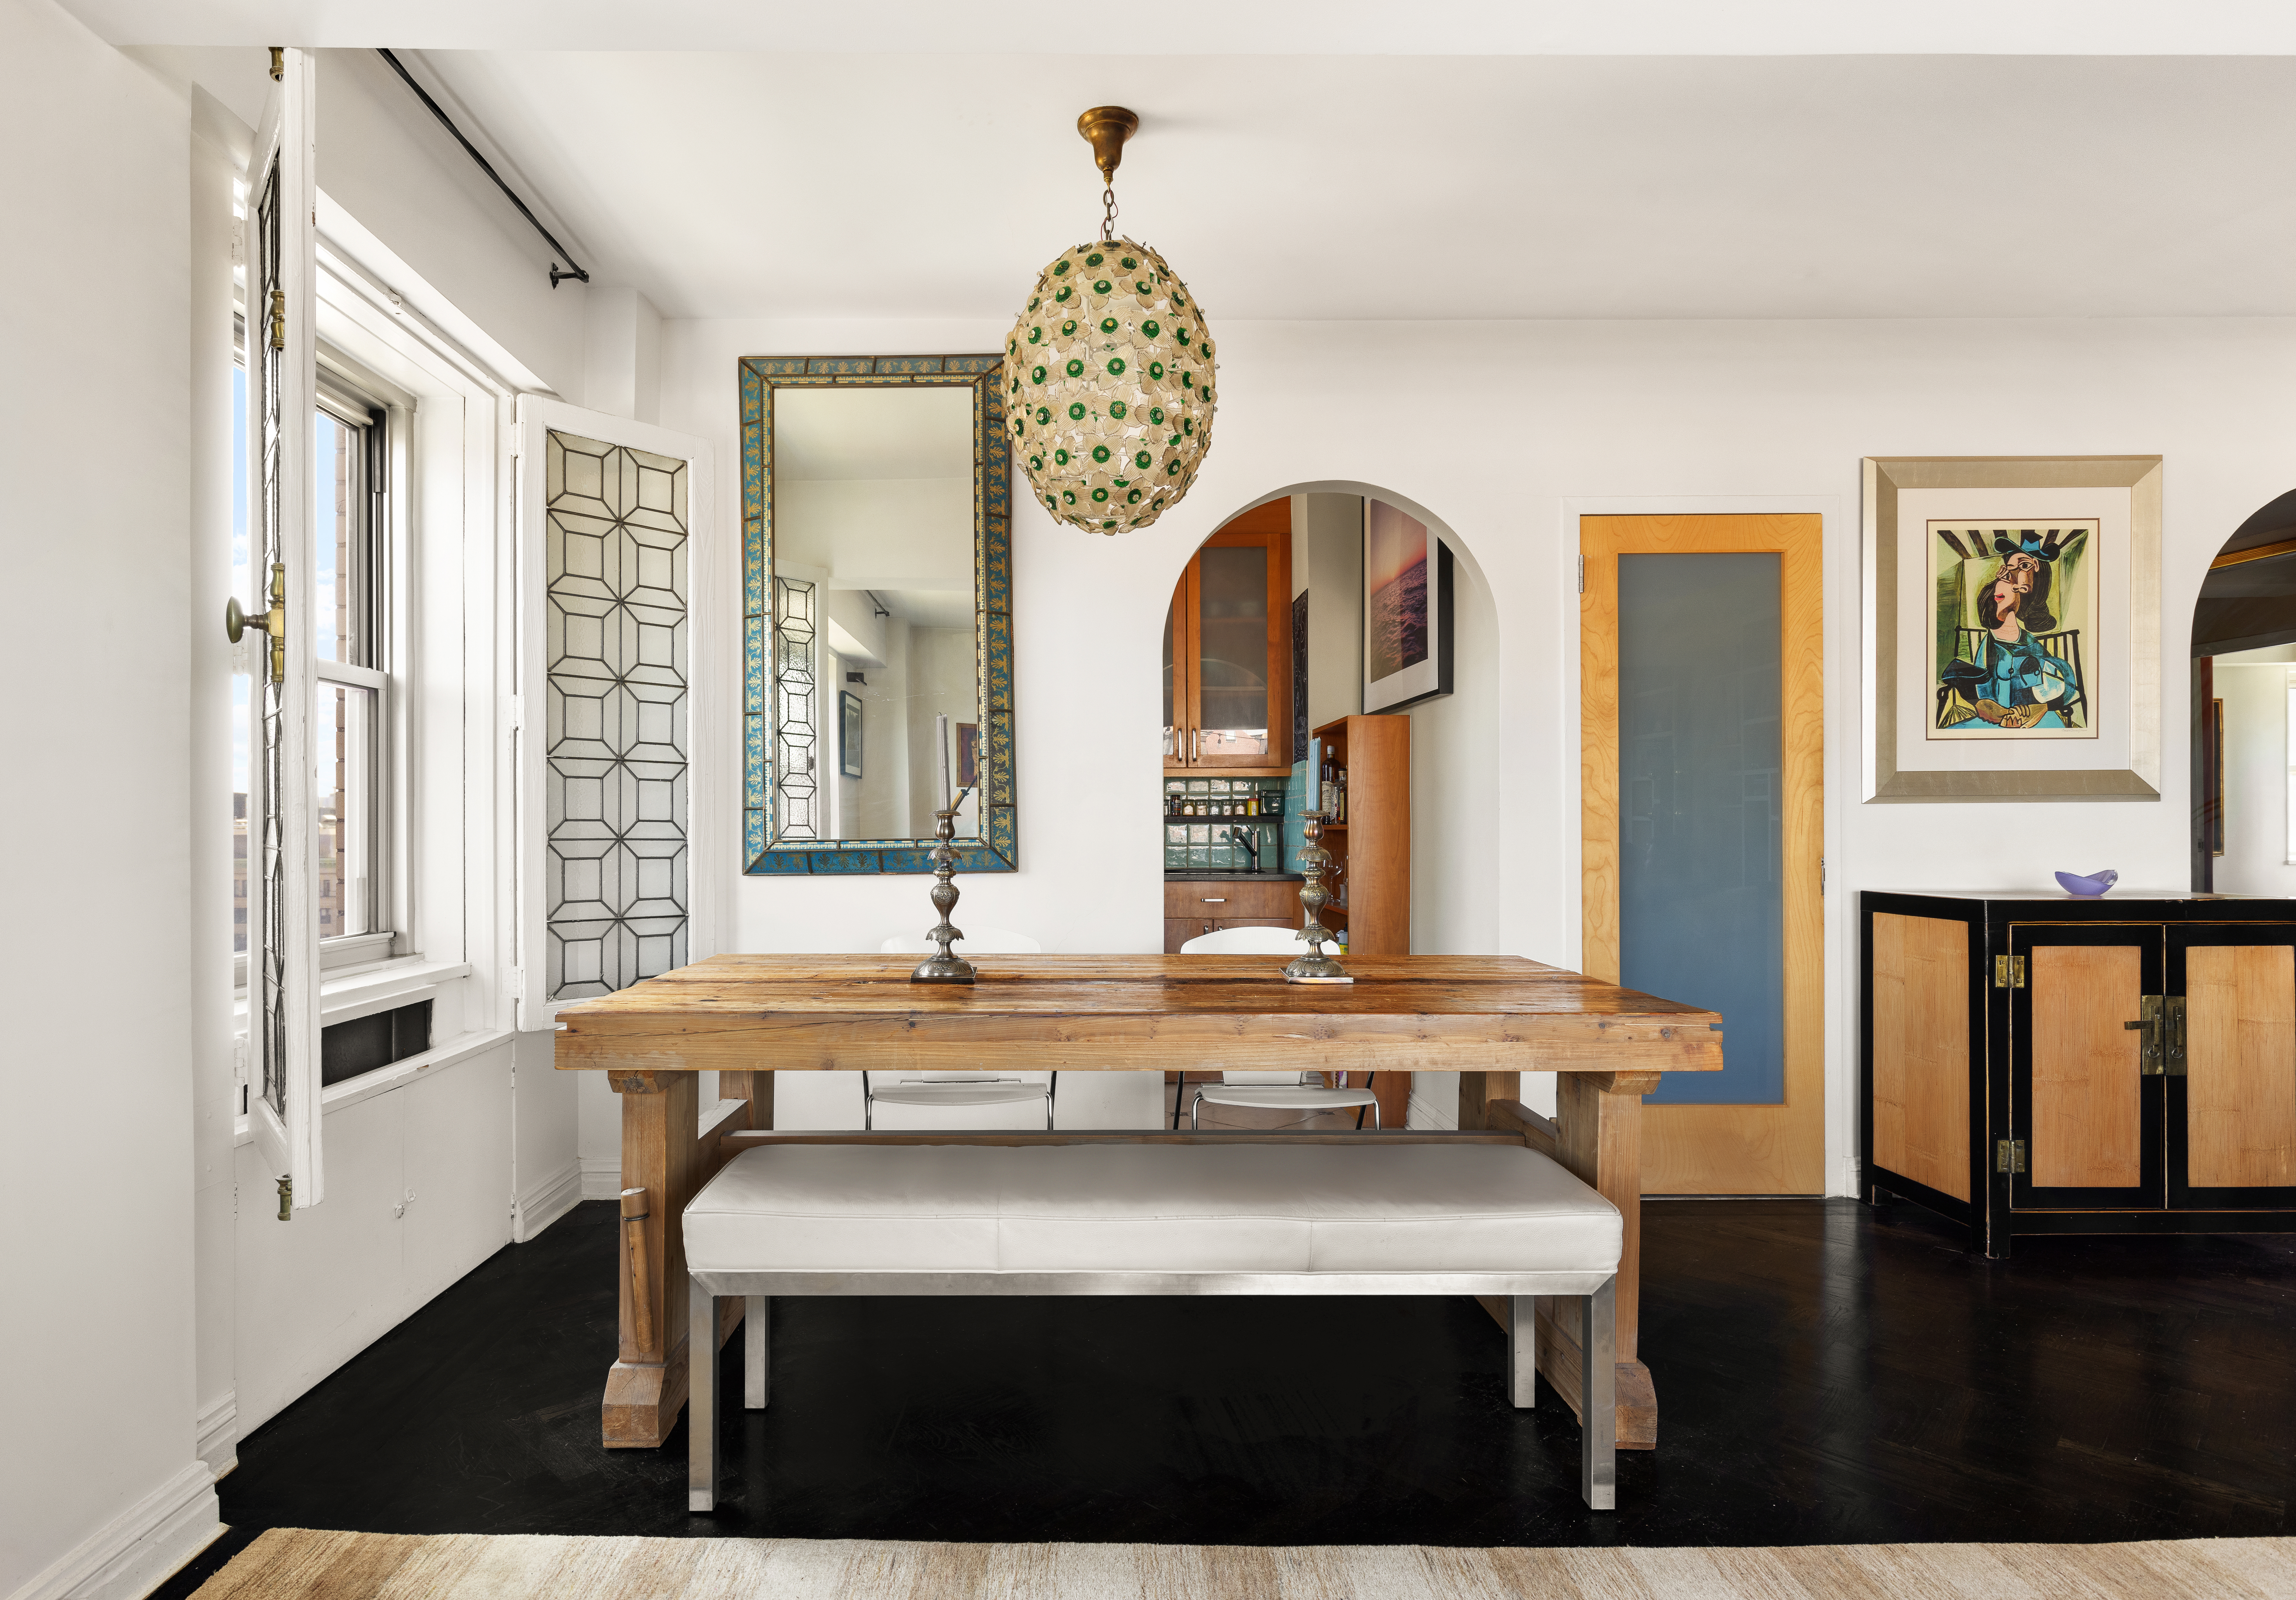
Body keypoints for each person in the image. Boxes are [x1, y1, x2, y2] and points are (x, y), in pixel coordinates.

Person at [1939, 550, 2079, 729]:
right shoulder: (1987, 642)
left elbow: (2067, 681)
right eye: (2007, 571)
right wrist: (1980, 704)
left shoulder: (2030, 643)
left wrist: (2043, 707)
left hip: (2029, 720)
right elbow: (1963, 676)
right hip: (1994, 720)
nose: (2006, 579)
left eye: (2022, 568)